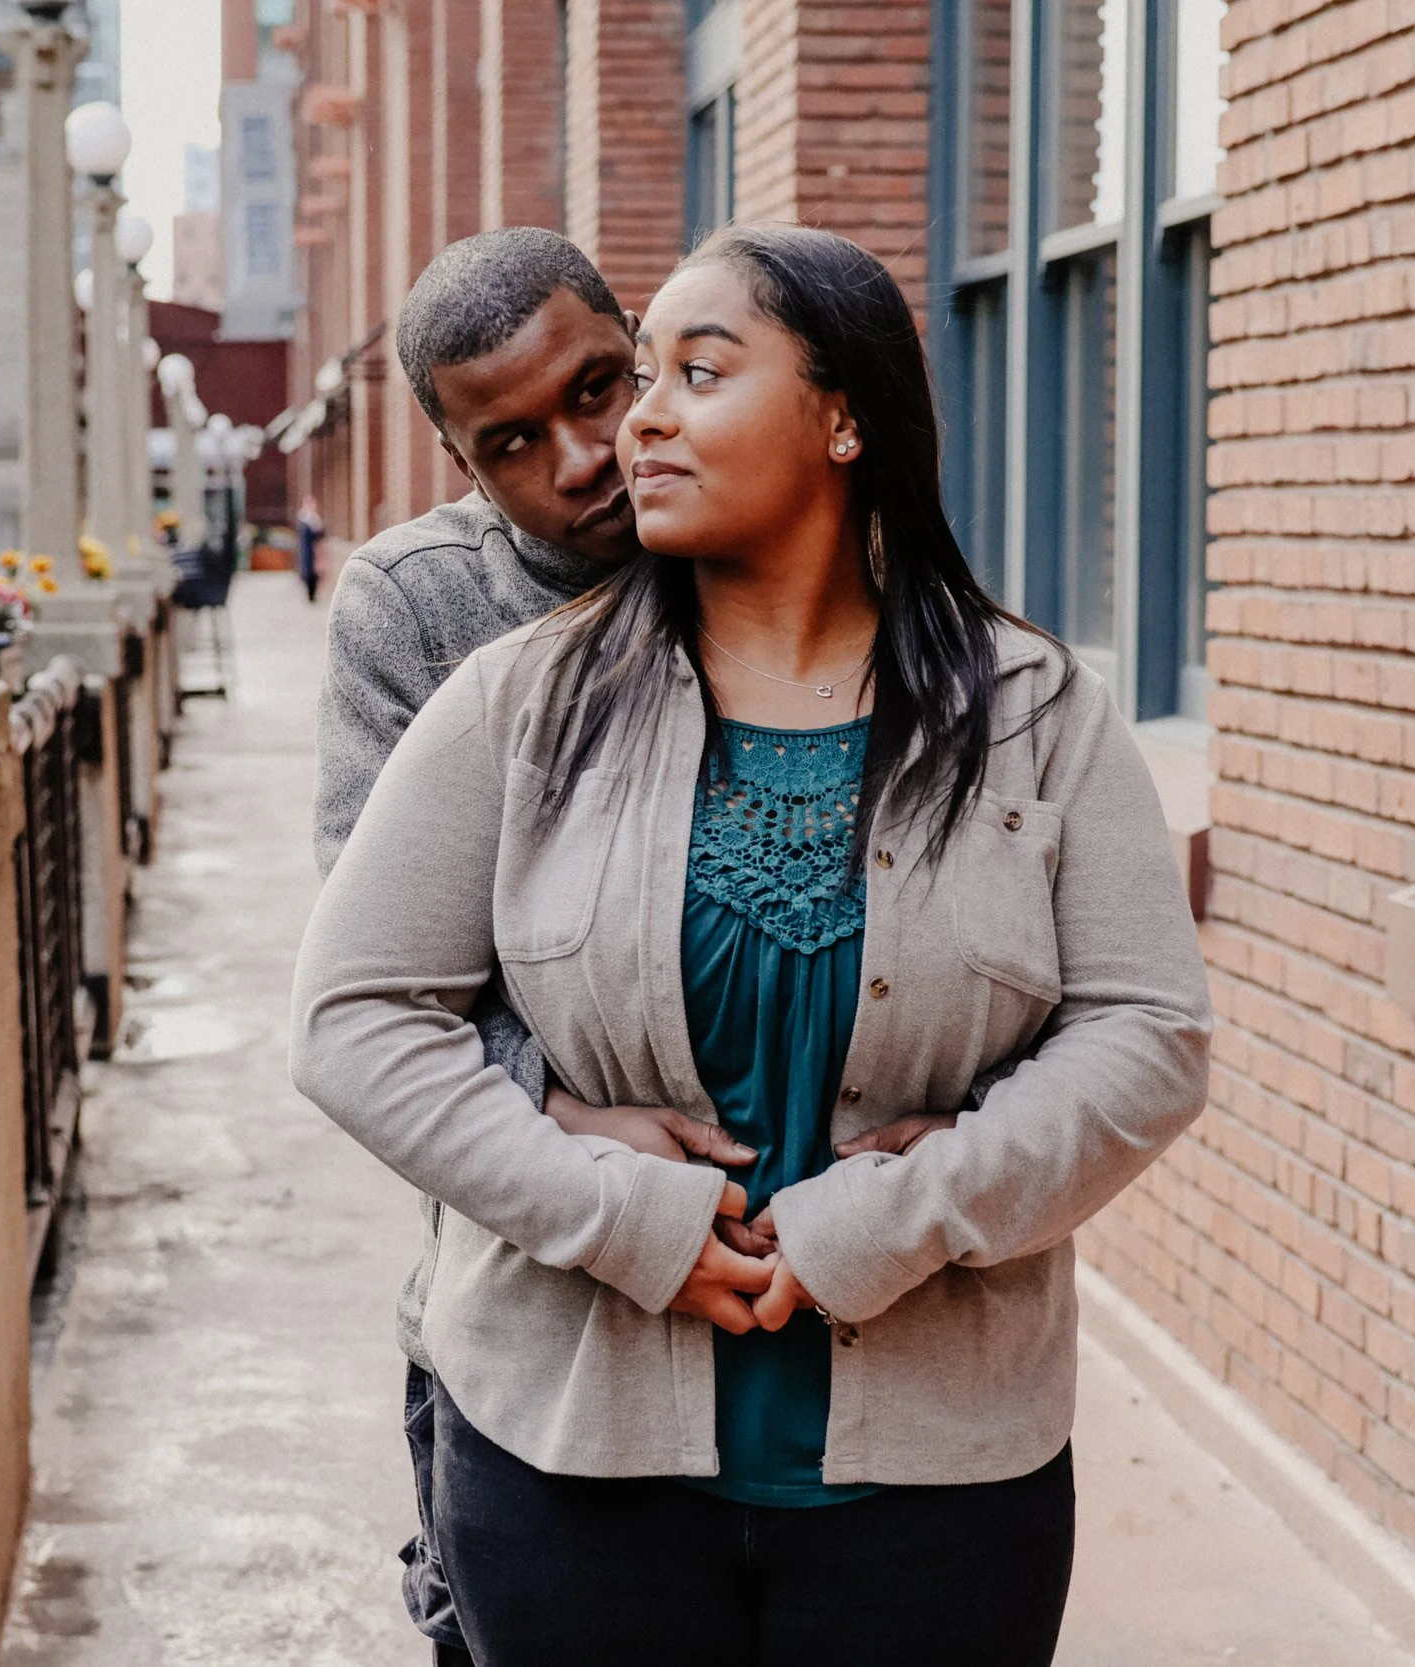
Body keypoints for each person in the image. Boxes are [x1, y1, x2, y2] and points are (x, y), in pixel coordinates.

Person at [291, 223, 1214, 1666]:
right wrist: (618, 1203)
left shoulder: (1038, 711)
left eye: (673, 376)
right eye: (631, 382)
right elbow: (357, 1015)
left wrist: (908, 1210)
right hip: (568, 1459)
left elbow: (1146, 1034)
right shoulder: (504, 695)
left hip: (941, 1481)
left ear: (842, 413)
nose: (624, 433)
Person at [312, 226, 750, 1667]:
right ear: (460, 461)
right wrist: (557, 1107)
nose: (582, 455)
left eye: (595, 389)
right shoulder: (418, 609)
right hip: (528, 1283)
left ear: (642, 348)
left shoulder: (780, 542)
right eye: (511, 441)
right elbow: (375, 979)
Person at [294, 494, 325, 603]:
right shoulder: (304, 519)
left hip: (315, 549)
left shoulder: (315, 519)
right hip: (307, 550)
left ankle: (313, 593)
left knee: (315, 572)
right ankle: (310, 594)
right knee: (309, 571)